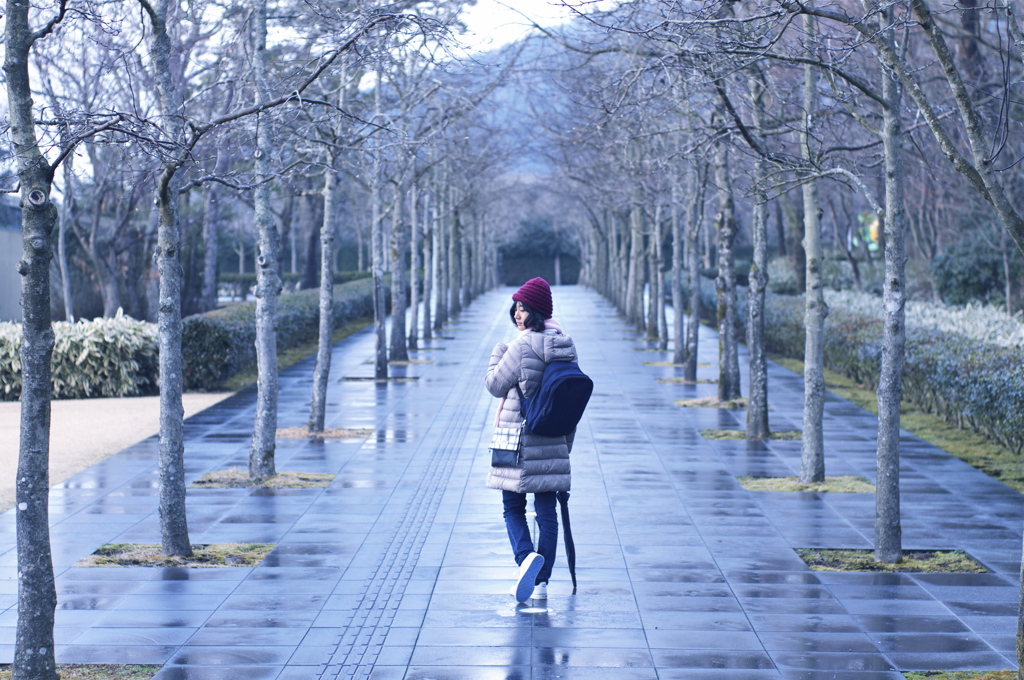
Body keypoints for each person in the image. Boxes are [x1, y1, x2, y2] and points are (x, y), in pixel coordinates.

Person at [484, 277, 577, 603]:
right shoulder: (565, 346)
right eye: (517, 307)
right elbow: (570, 399)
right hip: (553, 438)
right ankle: (541, 581)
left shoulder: (520, 347)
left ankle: (525, 559)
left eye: (524, 308)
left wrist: (499, 353)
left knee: (512, 507)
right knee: (546, 512)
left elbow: (495, 385)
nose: (518, 314)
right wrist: (565, 445)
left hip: (517, 438)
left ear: (536, 312)